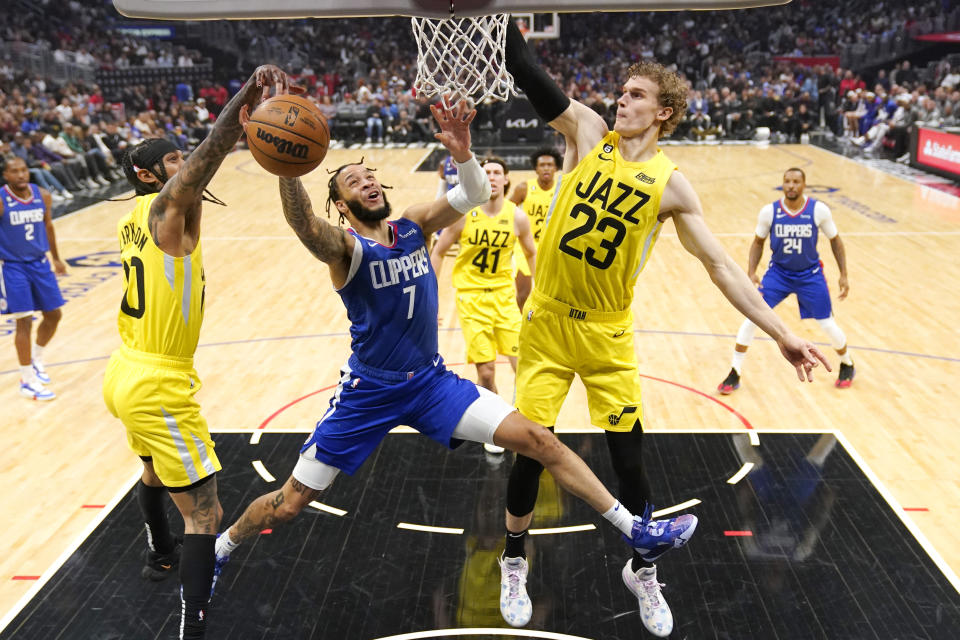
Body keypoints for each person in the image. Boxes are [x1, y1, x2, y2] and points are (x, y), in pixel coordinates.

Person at [212, 101, 700, 619]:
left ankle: (637, 532)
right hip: (369, 394)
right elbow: (303, 227)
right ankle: (221, 548)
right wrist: (289, 171)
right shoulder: (345, 249)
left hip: (430, 384)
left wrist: (465, 154)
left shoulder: (413, 225)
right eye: (353, 183)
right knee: (288, 503)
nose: (367, 183)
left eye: (370, 176)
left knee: (539, 441)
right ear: (341, 205)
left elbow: (470, 194)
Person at [499, 20, 830, 637]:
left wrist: (782, 333)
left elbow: (721, 266)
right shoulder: (588, 132)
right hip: (544, 324)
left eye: (635, 96)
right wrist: (496, 18)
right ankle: (513, 559)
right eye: (621, 93)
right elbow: (527, 72)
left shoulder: (671, 186)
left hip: (607, 334)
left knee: (632, 465)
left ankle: (643, 570)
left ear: (664, 112)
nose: (620, 101)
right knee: (529, 454)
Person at [101, 64, 294, 640]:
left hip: (125, 370)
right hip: (157, 380)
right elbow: (202, 162)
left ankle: (159, 552)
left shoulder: (136, 219)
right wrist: (244, 107)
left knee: (155, 472)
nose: (182, 166)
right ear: (146, 174)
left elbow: (194, 182)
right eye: (170, 162)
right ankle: (193, 629)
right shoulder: (163, 213)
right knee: (205, 513)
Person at [430, 156, 537, 455]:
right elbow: (437, 252)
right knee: (487, 372)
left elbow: (531, 252)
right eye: (485, 172)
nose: (491, 177)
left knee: (524, 367)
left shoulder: (516, 217)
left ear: (505, 180)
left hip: (503, 297)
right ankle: (497, 427)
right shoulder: (465, 214)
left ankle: (525, 421)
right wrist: (432, 300)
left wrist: (538, 292)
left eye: (496, 173)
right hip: (472, 297)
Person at [718, 168, 854, 394]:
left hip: (810, 275)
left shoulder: (818, 210)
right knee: (751, 318)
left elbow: (836, 242)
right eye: (787, 182)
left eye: (796, 182)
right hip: (778, 274)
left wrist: (844, 274)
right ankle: (735, 371)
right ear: (783, 184)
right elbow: (758, 242)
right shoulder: (769, 212)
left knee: (827, 324)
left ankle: (847, 363)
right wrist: (751, 272)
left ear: (804, 185)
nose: (791, 186)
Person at [0, 155, 66, 401]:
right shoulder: (2, 199)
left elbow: (48, 226)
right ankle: (27, 380)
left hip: (40, 263)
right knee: (24, 321)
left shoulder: (42, 195)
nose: (20, 174)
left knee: (54, 314)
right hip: (13, 267)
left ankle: (36, 358)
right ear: (6, 175)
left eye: (23, 170)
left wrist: (56, 258)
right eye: (14, 171)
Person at [508, 147, 562, 308]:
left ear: (556, 168)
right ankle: (521, 328)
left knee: (554, 295)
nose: (546, 168)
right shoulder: (524, 188)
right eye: (542, 165)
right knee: (524, 293)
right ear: (536, 168)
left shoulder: (562, 190)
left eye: (550, 165)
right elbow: (506, 211)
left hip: (551, 248)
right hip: (526, 246)